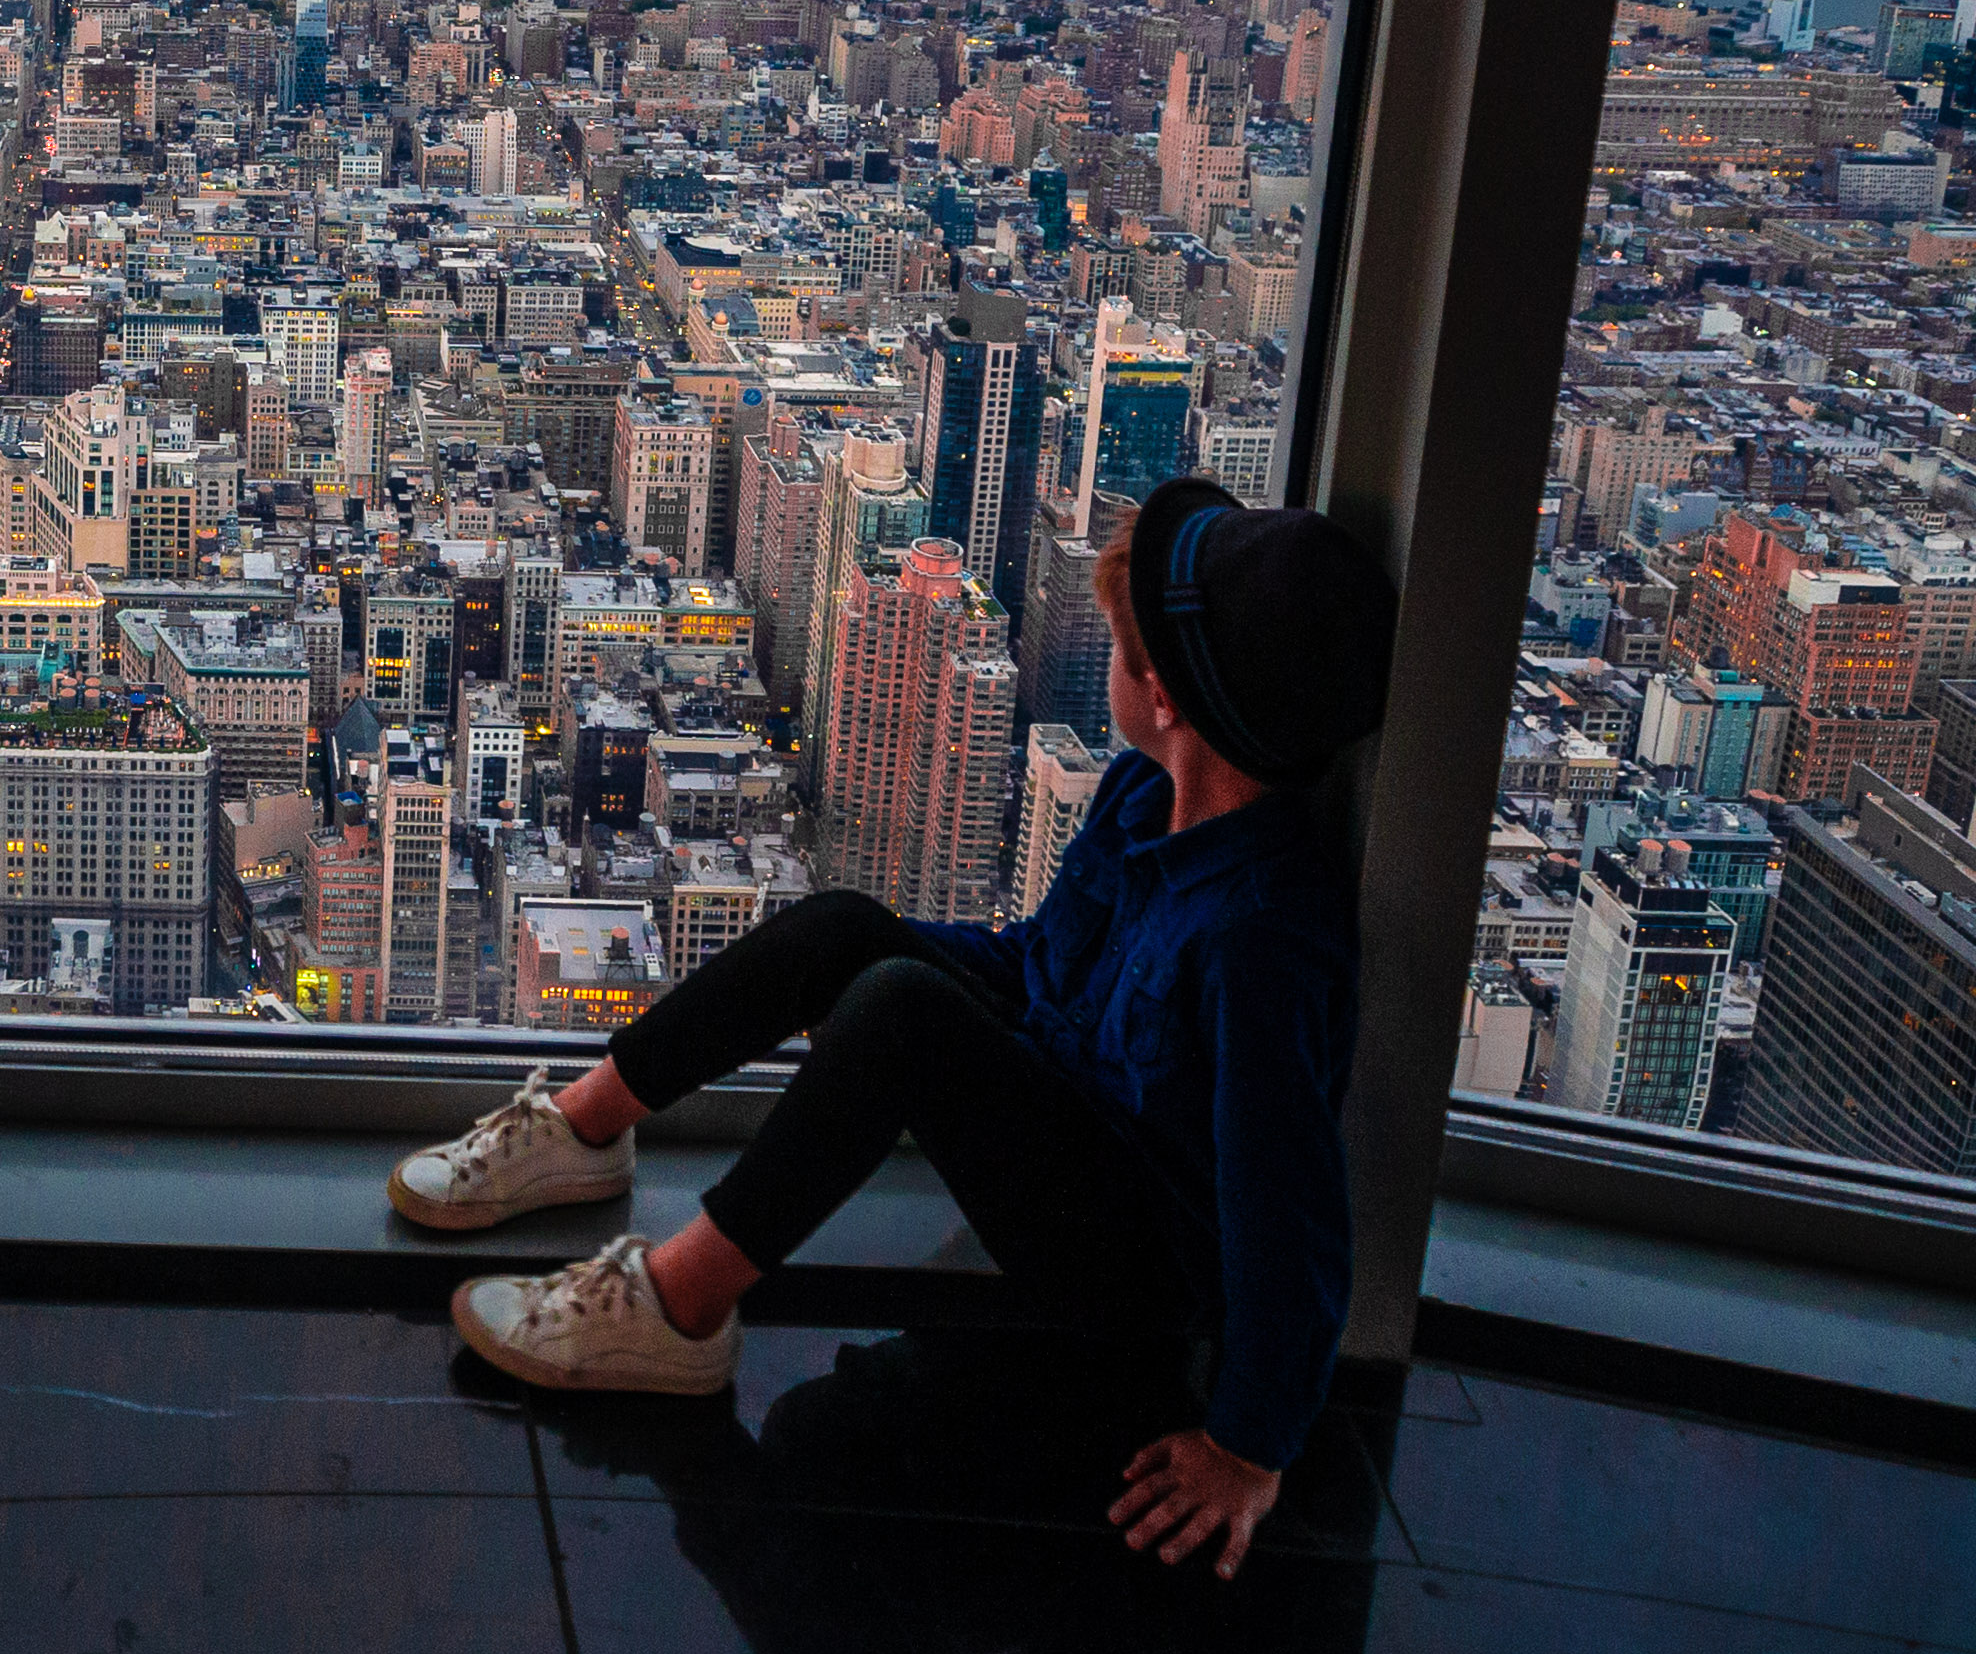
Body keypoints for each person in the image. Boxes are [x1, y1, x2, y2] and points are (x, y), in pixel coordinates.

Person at [389, 475, 1396, 1582]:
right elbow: (1035, 972)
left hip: (1127, 1267)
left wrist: (1248, 1446)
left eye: (1117, 641)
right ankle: (583, 1131)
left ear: (1161, 692)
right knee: (847, 931)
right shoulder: (1137, 798)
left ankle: (674, 1312)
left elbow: (1287, 1208)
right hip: (1062, 1118)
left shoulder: (1263, 937)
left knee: (902, 1008)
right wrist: (863, 959)